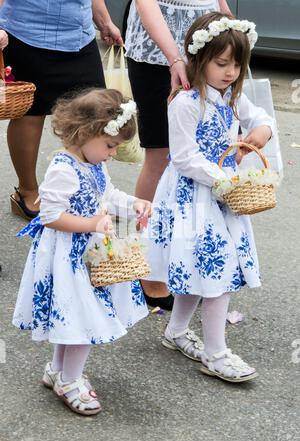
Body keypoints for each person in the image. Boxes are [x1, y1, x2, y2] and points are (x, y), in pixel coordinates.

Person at [144, 12, 275, 382]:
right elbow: (184, 158)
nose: (231, 72)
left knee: (206, 272)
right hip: (195, 198)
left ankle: (176, 330)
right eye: (222, 64)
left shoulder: (231, 96)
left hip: (224, 198)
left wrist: (261, 133)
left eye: (236, 64)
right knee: (219, 271)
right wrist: (224, 181)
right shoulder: (186, 103)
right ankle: (216, 353)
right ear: (199, 59)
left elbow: (260, 117)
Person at [12, 88, 152, 415]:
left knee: (76, 317)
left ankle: (59, 370)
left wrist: (133, 204)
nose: (112, 153)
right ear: (85, 133)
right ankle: (70, 381)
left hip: (87, 256)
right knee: (85, 319)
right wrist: (92, 223)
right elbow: (49, 216)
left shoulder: (94, 163)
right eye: (110, 145)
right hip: (67, 258)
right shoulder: (63, 169)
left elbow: (109, 194)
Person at [125, 0, 232, 309]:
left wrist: (229, 25)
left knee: (198, 156)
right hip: (159, 54)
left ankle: (182, 257)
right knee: (161, 156)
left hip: (209, 49)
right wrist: (175, 59)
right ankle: (146, 267)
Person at [0, 0, 123, 220]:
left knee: (96, 115)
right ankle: (27, 191)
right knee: (30, 113)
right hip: (27, 33)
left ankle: (89, 189)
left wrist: (104, 22)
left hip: (80, 36)